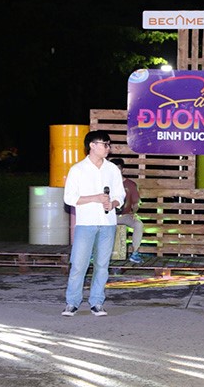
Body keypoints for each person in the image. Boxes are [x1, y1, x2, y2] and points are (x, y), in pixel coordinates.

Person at [61, 130, 125, 317]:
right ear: (92, 145)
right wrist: (95, 198)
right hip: (86, 223)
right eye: (105, 144)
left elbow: (120, 195)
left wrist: (112, 203)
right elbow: (69, 198)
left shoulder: (112, 169)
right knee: (79, 265)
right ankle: (72, 302)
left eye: (109, 144)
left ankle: (97, 302)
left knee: (102, 265)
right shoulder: (77, 169)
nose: (108, 148)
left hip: (108, 223)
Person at [109, 157, 144, 264]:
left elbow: (136, 202)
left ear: (122, 170)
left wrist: (134, 213)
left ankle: (135, 253)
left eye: (117, 169)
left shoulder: (130, 184)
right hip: (108, 216)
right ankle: (95, 253)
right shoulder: (104, 183)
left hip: (125, 215)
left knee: (139, 224)